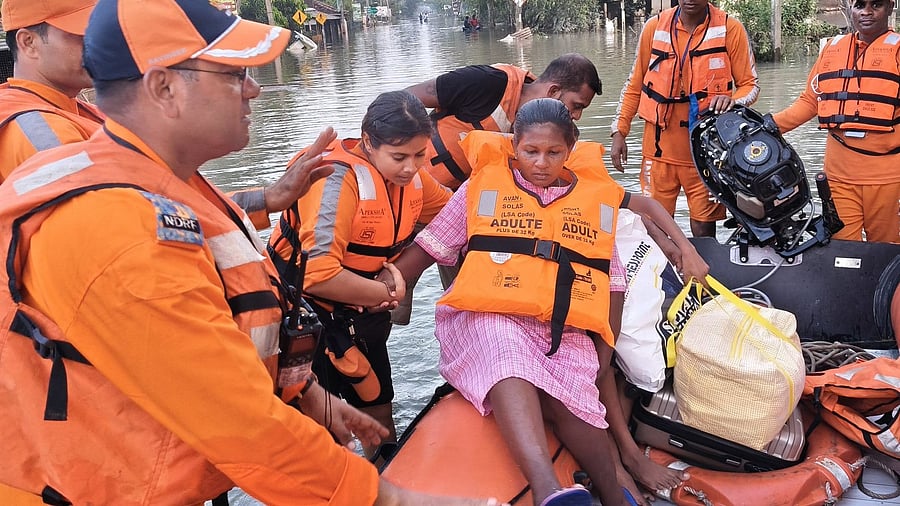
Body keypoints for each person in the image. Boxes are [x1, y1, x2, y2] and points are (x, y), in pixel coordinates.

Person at [0, 1, 503, 505]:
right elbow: (230, 417)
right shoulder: (117, 228)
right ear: (163, 88)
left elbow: (223, 329)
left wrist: (308, 395)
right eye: (234, 75)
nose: (254, 89)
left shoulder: (162, 183)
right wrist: (391, 498)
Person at [384, 98, 703, 506]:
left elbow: (613, 286)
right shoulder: (481, 188)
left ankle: (613, 492)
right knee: (506, 349)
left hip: (558, 329)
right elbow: (424, 253)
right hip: (486, 318)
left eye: (553, 153)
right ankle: (547, 489)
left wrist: (601, 357)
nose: (540, 162)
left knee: (573, 398)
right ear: (514, 145)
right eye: (530, 151)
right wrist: (375, 289)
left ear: (570, 150)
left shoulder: (592, 201)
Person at [0, 0, 325, 229]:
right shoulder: (38, 130)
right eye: (79, 34)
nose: (95, 43)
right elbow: (132, 227)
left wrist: (266, 199)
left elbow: (160, 206)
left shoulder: (79, 111)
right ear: (28, 43)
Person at [268, 90, 452, 459]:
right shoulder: (335, 179)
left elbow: (457, 214)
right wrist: (388, 294)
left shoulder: (412, 179)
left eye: (420, 155)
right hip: (304, 316)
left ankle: (384, 469)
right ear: (368, 142)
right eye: (398, 157)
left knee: (379, 402)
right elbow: (318, 275)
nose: (411, 167)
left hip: (362, 313)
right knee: (312, 420)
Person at [610, 0, 759, 238]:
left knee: (703, 226)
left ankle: (700, 273)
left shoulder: (730, 28)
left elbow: (750, 85)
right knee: (654, 225)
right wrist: (620, 131)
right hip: (658, 151)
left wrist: (733, 101)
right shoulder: (654, 27)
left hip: (706, 152)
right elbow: (634, 85)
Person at [773, 0, 900, 244]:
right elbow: (809, 103)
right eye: (860, 5)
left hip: (888, 180)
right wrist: (766, 125)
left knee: (887, 254)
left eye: (876, 5)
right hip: (839, 177)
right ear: (851, 9)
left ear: (890, 8)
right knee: (842, 252)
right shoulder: (832, 48)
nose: (867, 12)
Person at [406, 53, 601, 191]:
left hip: (455, 197)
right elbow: (405, 98)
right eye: (576, 106)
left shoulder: (556, 133)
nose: (576, 116)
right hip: (410, 181)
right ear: (553, 92)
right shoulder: (485, 82)